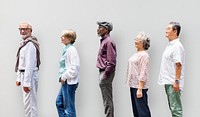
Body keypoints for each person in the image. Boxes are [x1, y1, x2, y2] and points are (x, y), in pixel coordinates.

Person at [158, 21, 185, 117]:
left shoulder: (177, 46)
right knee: (172, 107)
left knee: (176, 109)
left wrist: (176, 81)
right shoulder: (170, 45)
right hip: (168, 81)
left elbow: (178, 64)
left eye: (168, 29)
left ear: (175, 31)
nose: (166, 30)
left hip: (173, 82)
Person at [15, 22, 41, 117]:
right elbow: (21, 62)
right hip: (23, 75)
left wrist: (26, 83)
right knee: (27, 103)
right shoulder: (24, 43)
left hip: (29, 76)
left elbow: (29, 65)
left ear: (30, 31)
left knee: (30, 103)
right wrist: (18, 78)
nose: (22, 31)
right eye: (20, 29)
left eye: (25, 29)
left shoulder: (30, 44)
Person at [56, 29, 80, 117]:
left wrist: (64, 77)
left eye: (63, 36)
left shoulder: (71, 50)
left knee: (69, 108)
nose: (61, 37)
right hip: (65, 81)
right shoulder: (66, 49)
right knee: (59, 102)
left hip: (69, 82)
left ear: (69, 39)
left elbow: (75, 68)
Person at [126, 32, 151, 117]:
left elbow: (143, 72)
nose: (135, 41)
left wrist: (140, 88)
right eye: (135, 39)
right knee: (136, 111)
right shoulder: (137, 53)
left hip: (139, 86)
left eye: (137, 39)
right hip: (133, 85)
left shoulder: (144, 55)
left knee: (142, 112)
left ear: (143, 42)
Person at [96, 21, 117, 117]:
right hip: (103, 72)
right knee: (106, 100)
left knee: (107, 100)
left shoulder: (108, 41)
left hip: (105, 73)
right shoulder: (104, 41)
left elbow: (111, 61)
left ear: (106, 29)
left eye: (100, 27)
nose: (98, 29)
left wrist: (105, 75)